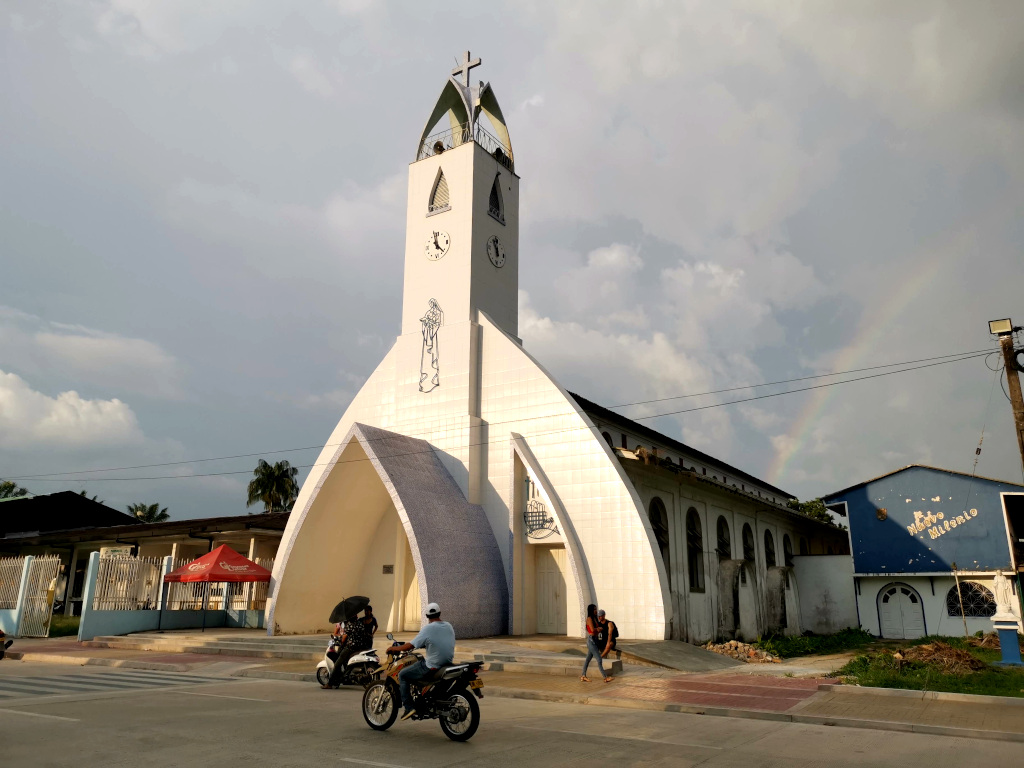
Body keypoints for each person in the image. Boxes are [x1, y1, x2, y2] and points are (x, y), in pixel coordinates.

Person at [386, 602, 455, 721]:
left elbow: (410, 646)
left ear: (427, 616)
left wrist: (393, 648)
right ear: (439, 613)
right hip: (448, 663)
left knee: (403, 675)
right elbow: (440, 641)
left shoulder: (428, 628)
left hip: (433, 666)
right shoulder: (448, 625)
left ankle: (409, 707)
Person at [323, 609, 373, 689]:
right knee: (344, 662)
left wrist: (340, 642)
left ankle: (330, 683)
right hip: (359, 647)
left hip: (350, 647)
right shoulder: (360, 623)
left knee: (337, 664)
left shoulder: (349, 625)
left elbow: (344, 639)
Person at [581, 604, 611, 683]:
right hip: (591, 641)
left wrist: (599, 629)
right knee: (599, 659)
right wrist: (598, 629)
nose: (595, 611)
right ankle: (605, 677)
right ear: (591, 610)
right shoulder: (589, 619)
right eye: (594, 609)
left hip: (595, 640)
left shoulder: (594, 618)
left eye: (596, 609)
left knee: (588, 659)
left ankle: (583, 676)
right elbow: (592, 630)